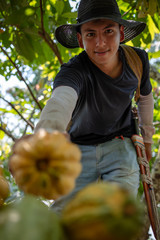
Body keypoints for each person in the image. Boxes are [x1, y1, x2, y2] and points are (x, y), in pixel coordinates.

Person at [35, 0, 155, 213]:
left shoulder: (137, 60)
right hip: (78, 150)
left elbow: (144, 98)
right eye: (91, 34)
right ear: (80, 40)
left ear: (121, 33)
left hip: (120, 147)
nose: (100, 43)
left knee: (116, 215)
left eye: (108, 31)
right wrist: (47, 137)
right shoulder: (74, 71)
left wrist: (147, 140)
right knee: (62, 219)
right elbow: (60, 101)